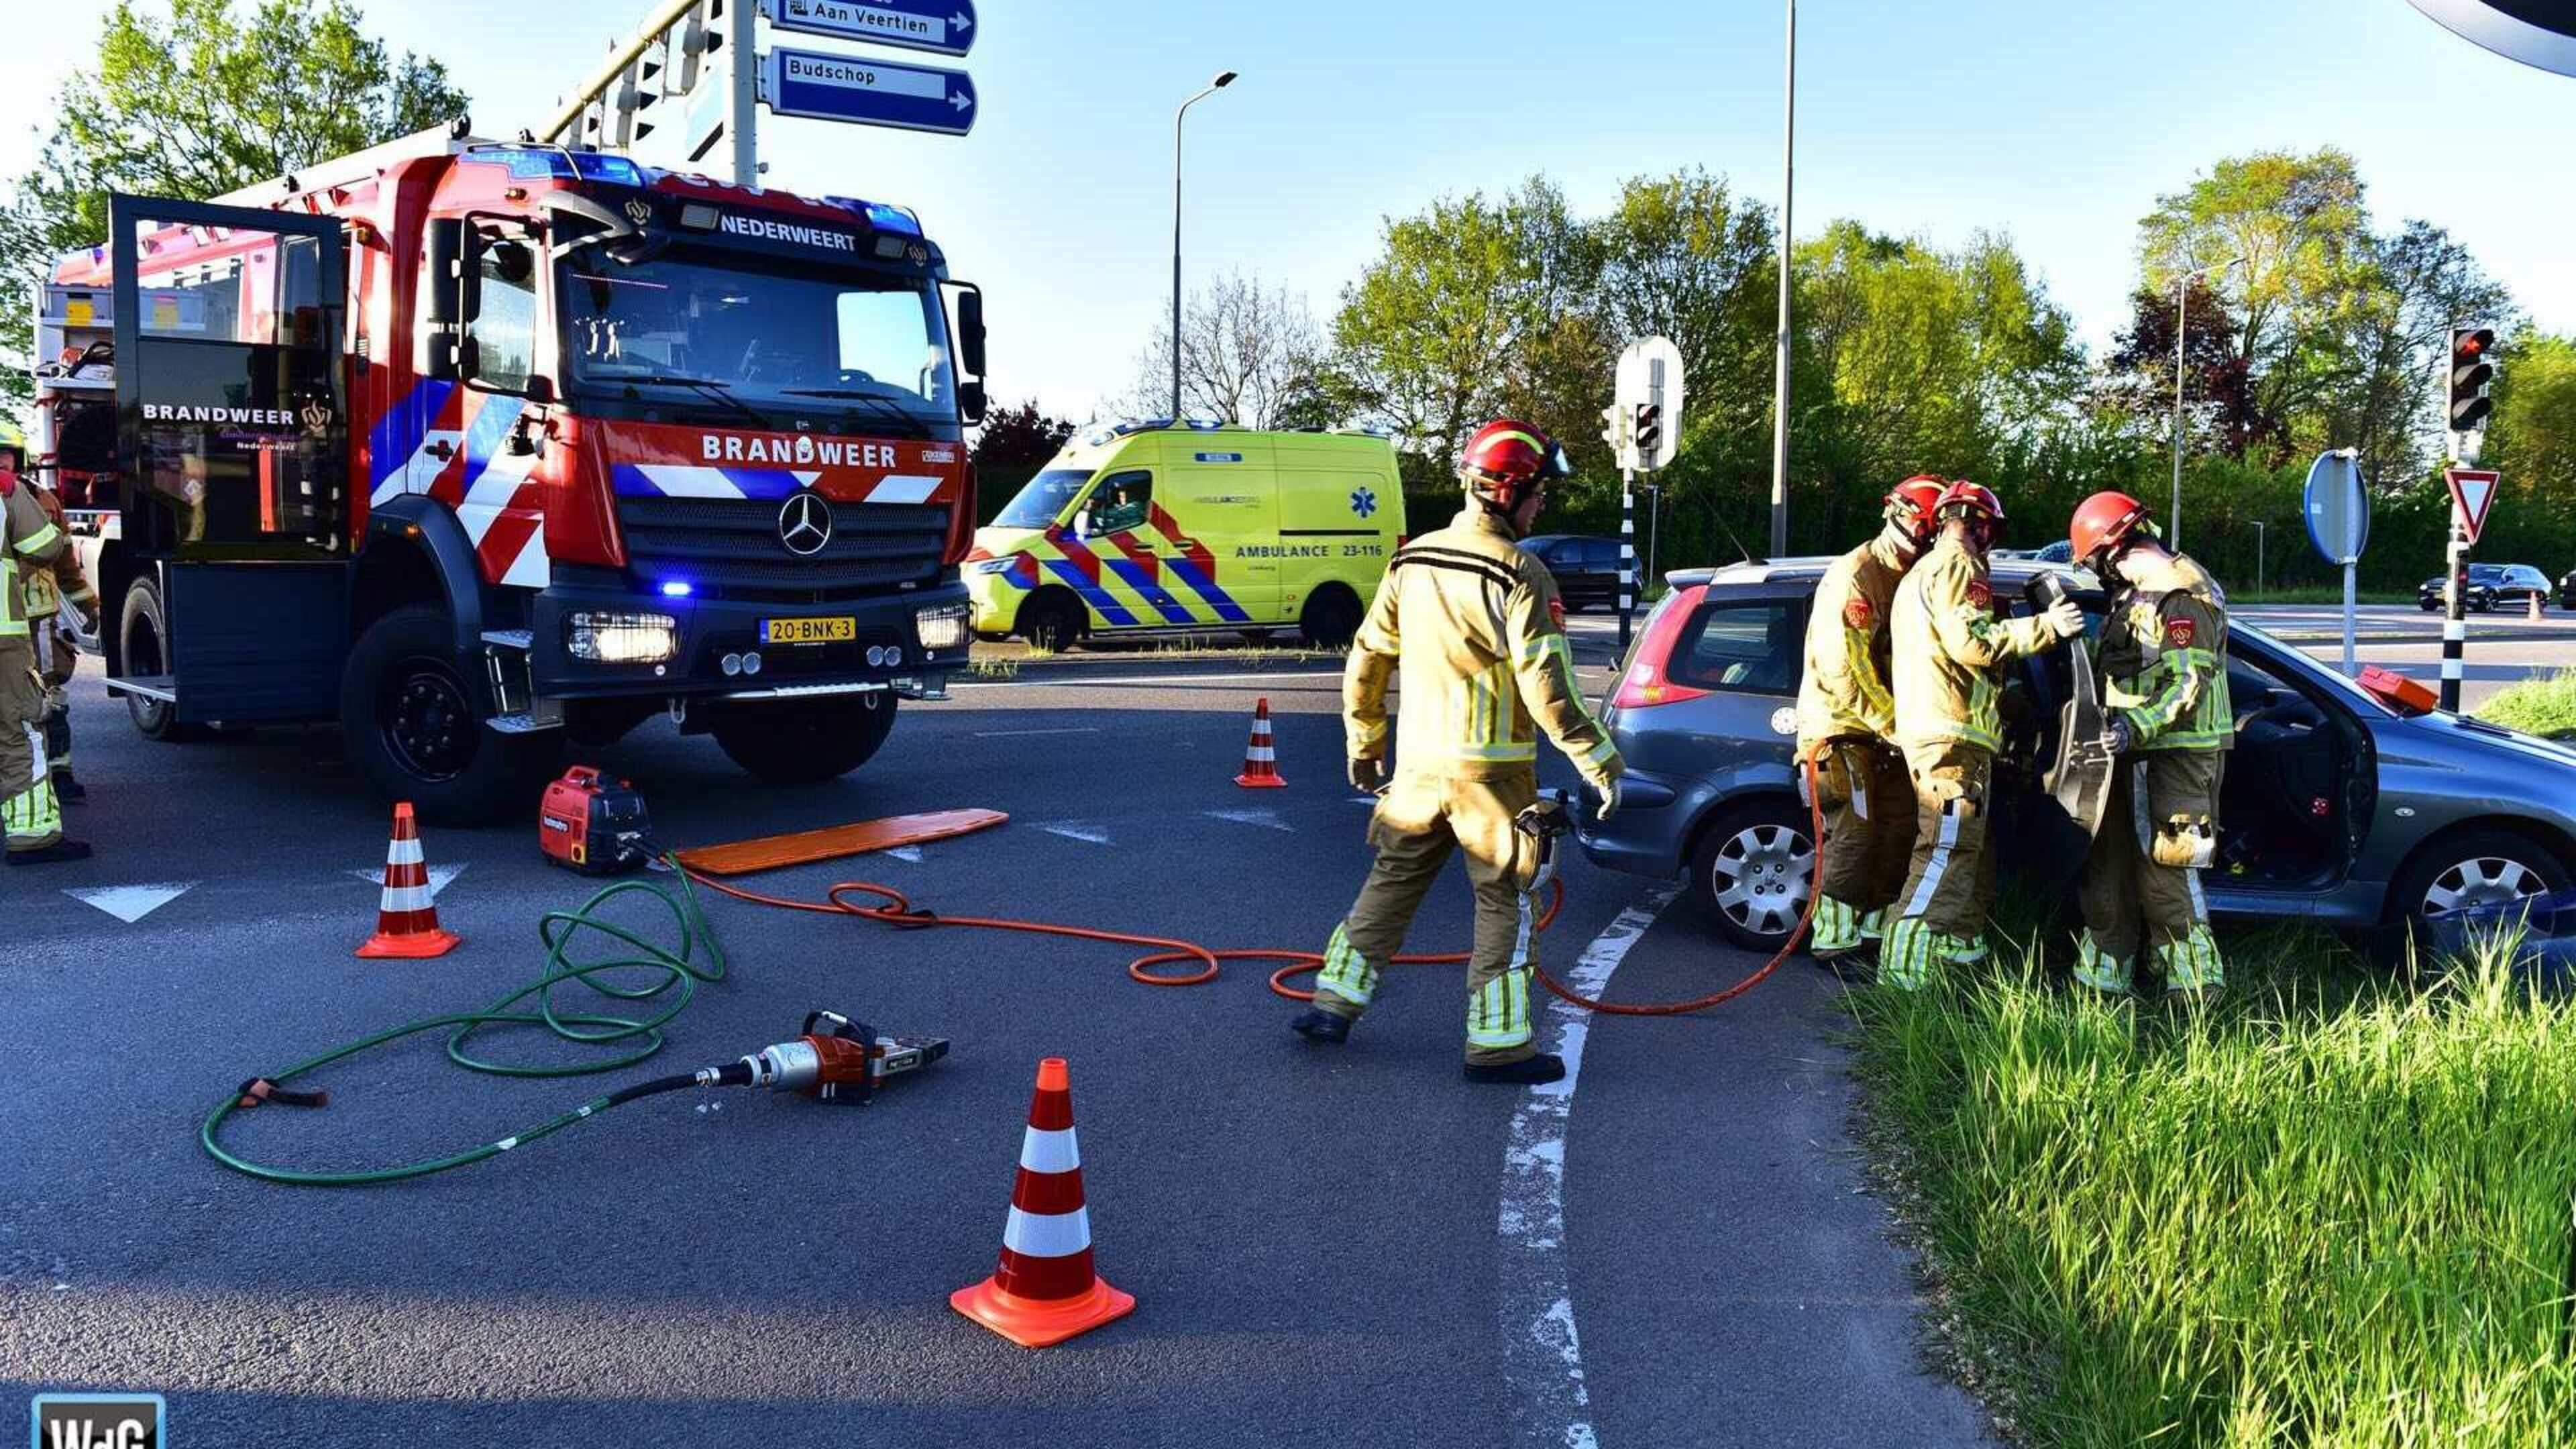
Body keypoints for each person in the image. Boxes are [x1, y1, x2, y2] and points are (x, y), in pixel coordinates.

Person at [1291, 419, 1623, 1084]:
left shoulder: (1411, 561)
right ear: (1509, 491)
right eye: (1538, 493)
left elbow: (1368, 655)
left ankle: (1333, 1003)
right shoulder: (1520, 573)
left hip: (1417, 770)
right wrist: (1600, 763)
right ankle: (1499, 1045)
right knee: (1506, 899)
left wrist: (1365, 741)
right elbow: (1549, 690)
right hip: (1490, 779)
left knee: (1390, 884)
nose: (1542, 505)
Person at [1879, 481, 2083, 988]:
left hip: (1945, 731)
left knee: (1959, 851)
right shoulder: (1960, 565)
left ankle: (1954, 959)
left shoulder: (1925, 571)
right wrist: (2047, 627)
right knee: (1945, 852)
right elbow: (1970, 642)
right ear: (1981, 525)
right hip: (1951, 737)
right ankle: (1903, 973)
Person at [2065, 491, 2232, 1001]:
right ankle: (2104, 980)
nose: (2102, 575)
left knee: (2169, 869)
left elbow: (2186, 685)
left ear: (2114, 550)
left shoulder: (2179, 595)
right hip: (2137, 753)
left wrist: (2132, 727)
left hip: (2176, 754)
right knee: (2111, 865)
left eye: (2098, 564)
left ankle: (2196, 991)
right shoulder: (2141, 595)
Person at [1795, 475, 1947, 967]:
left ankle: (1872, 933)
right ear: (1899, 518)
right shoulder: (1856, 576)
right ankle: (1833, 942)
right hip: (1843, 732)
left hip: (1891, 737)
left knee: (1900, 829)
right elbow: (1849, 670)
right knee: (1857, 833)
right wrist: (1895, 726)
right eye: (1926, 531)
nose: (1927, 543)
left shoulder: (1914, 574)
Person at [3, 464, 87, 863]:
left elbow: (63, 559)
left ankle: (61, 776)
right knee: (20, 728)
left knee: (43, 704)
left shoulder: (36, 495)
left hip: (32, 624)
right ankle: (33, 835)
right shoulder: (9, 494)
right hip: (8, 633)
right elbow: (45, 547)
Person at [25, 478, 99, 802]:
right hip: (7, 625)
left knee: (52, 699)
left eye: (6, 454)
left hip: (41, 624)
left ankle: (60, 775)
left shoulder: (45, 501)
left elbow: (66, 564)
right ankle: (24, 778)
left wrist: (89, 605)